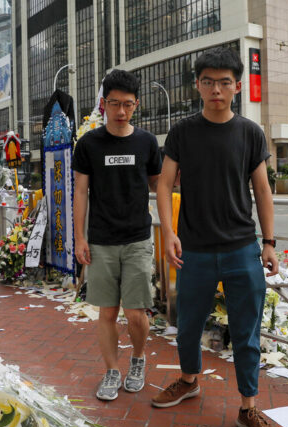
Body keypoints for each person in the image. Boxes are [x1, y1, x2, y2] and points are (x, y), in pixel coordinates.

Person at [154, 47, 282, 427]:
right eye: (208, 81)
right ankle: (189, 380)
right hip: (193, 249)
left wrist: (270, 242)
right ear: (198, 85)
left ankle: (248, 407)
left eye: (224, 81)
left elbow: (262, 189)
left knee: (246, 331)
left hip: (242, 247)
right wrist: (169, 231)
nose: (216, 88)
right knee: (187, 326)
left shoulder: (249, 133)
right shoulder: (182, 132)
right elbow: (163, 183)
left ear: (237, 87)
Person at [73, 69, 162, 401]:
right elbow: (80, 192)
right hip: (100, 239)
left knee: (137, 312)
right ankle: (111, 370)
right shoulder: (89, 144)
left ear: (136, 105)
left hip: (138, 237)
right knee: (107, 312)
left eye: (127, 104)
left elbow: (158, 184)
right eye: (114, 104)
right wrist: (80, 239)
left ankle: (137, 359)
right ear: (103, 104)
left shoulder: (147, 142)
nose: (121, 111)